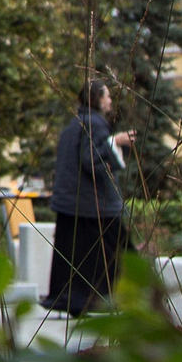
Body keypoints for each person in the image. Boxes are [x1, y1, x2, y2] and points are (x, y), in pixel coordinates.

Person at [45, 80, 133, 313]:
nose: (111, 100)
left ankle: (71, 299)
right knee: (119, 251)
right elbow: (90, 159)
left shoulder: (76, 124)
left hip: (72, 203)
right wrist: (116, 142)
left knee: (73, 255)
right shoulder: (95, 124)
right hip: (93, 204)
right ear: (97, 99)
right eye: (107, 96)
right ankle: (130, 297)